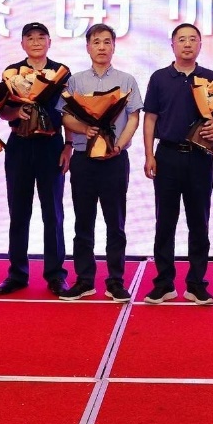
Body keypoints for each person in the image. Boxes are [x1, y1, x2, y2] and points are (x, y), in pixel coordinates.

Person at [58, 24, 143, 302]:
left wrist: (119, 144)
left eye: (107, 42)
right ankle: (84, 280)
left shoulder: (126, 80)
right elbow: (65, 117)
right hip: (84, 159)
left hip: (115, 159)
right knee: (83, 221)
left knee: (115, 222)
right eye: (96, 42)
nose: (102, 47)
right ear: (88, 47)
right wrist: (84, 129)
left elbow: (134, 117)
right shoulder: (75, 81)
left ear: (114, 47)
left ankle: (115, 280)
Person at [141, 22, 213, 306]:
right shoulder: (159, 77)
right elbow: (150, 118)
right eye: (182, 39)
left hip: (200, 157)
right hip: (167, 155)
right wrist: (149, 154)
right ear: (173, 45)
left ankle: (196, 284)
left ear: (200, 45)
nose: (187, 44)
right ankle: (164, 284)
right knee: (165, 222)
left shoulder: (209, 77)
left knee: (199, 222)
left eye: (192, 39)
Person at [0, 23, 72, 297]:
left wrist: (69, 146)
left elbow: (69, 112)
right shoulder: (11, 72)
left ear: (49, 42)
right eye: (30, 37)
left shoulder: (61, 72)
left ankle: (56, 274)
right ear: (22, 43)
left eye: (41, 37)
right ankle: (17, 274)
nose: (36, 42)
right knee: (18, 212)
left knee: (53, 212)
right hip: (19, 145)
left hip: (51, 146)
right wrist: (16, 113)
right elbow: (2, 111)